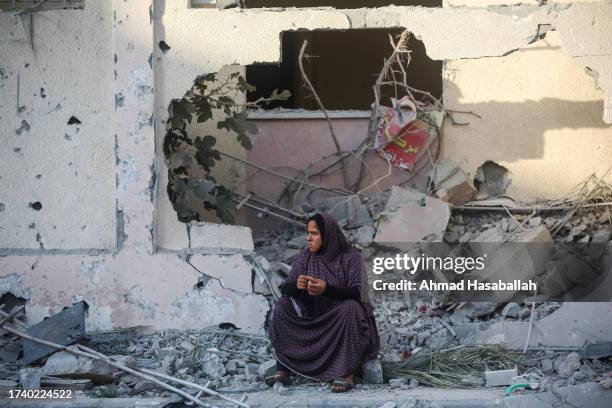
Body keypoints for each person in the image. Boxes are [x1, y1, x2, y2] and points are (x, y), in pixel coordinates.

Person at [267, 213, 380, 393]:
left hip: (339, 323)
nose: (308, 238)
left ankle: (346, 373)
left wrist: (326, 289)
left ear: (327, 236)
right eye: (308, 233)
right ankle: (283, 370)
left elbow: (359, 293)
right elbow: (286, 289)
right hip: (313, 320)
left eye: (314, 233)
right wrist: (297, 285)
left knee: (351, 308)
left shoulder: (351, 258)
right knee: (282, 306)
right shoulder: (306, 256)